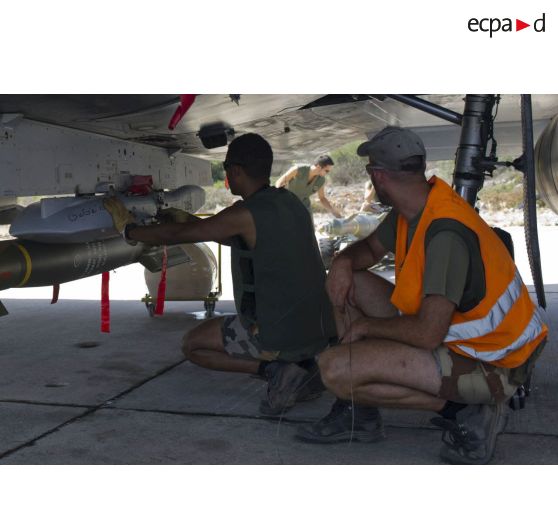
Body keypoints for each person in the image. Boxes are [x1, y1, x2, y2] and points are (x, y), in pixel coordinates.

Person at [296, 126, 548, 464]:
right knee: (350, 281)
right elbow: (370, 249)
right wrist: (341, 263)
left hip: (497, 363)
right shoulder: (415, 209)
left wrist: (368, 329)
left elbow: (428, 334)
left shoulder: (444, 232)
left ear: (377, 175)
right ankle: (362, 415)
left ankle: (467, 411)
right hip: (464, 341)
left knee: (337, 371)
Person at [104, 133, 337, 416]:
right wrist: (190, 220)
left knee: (193, 346)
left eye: (227, 169)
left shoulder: (245, 213)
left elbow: (182, 235)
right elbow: (242, 238)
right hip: (318, 328)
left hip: (278, 333)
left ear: (235, 171)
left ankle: (276, 369)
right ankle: (306, 369)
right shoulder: (290, 203)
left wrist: (130, 230)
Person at [276, 154, 343, 219]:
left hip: (305, 208)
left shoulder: (321, 180)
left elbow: (322, 198)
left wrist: (333, 211)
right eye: (327, 171)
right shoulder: (298, 170)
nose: (327, 173)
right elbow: (279, 183)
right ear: (319, 167)